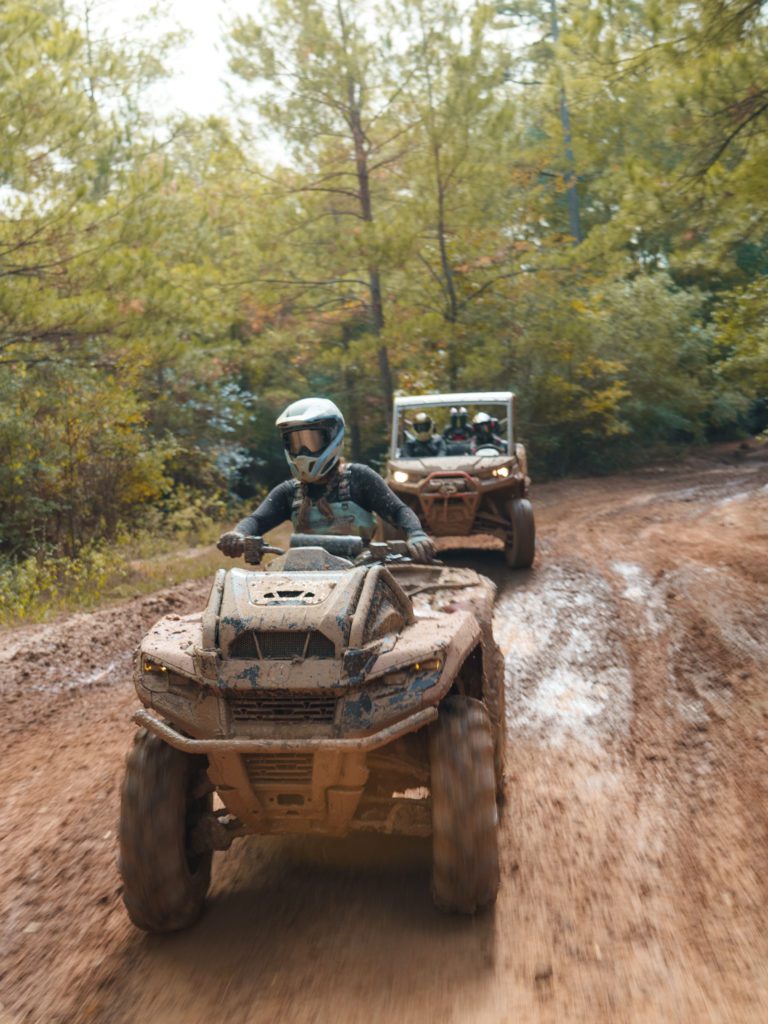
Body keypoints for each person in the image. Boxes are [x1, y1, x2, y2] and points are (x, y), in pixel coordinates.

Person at [218, 397, 434, 563]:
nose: (303, 451)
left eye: (311, 441)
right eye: (295, 443)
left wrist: (416, 534)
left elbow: (397, 510)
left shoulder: (359, 478)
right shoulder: (289, 492)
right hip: (305, 576)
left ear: (334, 437)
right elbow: (256, 520)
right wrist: (238, 534)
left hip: (362, 572)